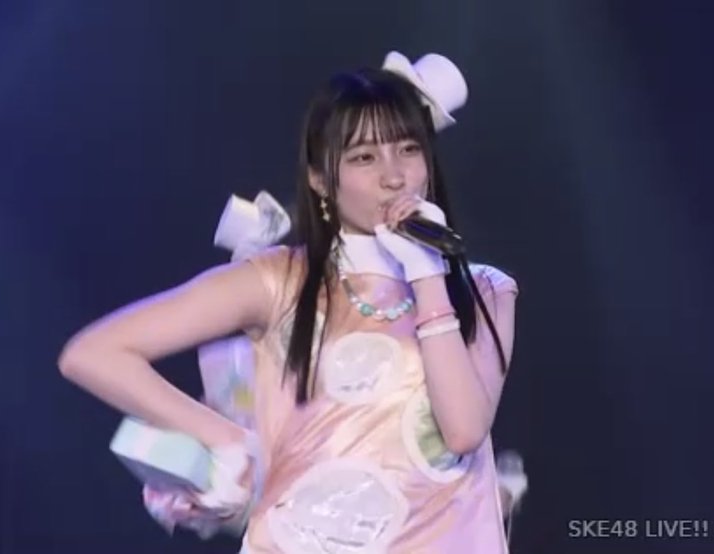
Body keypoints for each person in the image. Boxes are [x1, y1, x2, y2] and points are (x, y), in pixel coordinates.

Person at [58, 51, 520, 553]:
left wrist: (427, 272)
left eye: (408, 150)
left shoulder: (485, 290)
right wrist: (226, 439)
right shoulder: (280, 280)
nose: (394, 176)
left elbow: (463, 431)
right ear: (321, 179)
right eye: (364, 157)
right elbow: (94, 353)